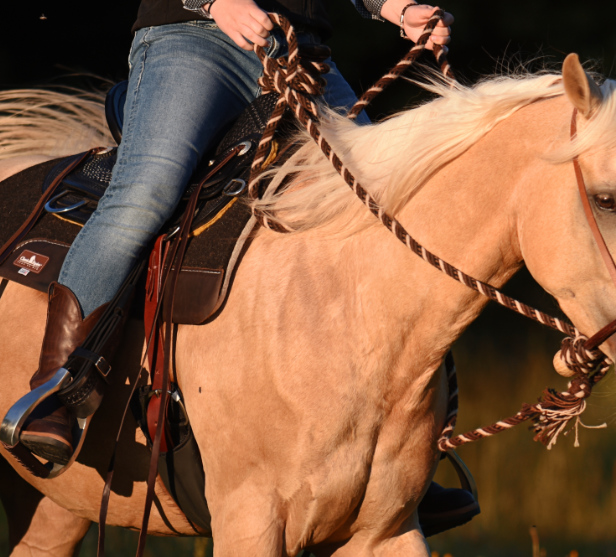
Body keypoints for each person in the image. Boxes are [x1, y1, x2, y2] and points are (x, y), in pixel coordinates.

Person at [16, 0, 477, 533]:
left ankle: (400, 459)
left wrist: (397, 8)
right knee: (146, 193)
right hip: (194, 39)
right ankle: (56, 387)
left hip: (300, 58)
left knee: (385, 217)